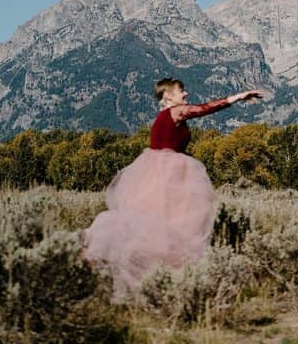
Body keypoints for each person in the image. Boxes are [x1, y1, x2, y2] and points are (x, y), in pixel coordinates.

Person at [82, 78, 261, 295]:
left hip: (153, 174)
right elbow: (203, 109)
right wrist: (238, 97)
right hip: (169, 176)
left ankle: (145, 276)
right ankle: (166, 279)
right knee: (172, 228)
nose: (185, 94)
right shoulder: (175, 112)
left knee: (153, 228)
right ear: (168, 96)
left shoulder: (162, 117)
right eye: (181, 91)